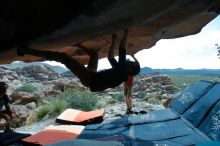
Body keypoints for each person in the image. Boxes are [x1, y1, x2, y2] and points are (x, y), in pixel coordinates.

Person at [17, 29, 140, 92]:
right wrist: (113, 41)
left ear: (130, 69)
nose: (128, 61)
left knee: (63, 57)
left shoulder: (122, 71)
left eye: (131, 63)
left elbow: (122, 48)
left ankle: (25, 50)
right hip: (92, 76)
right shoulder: (121, 72)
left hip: (89, 79)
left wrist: (126, 32)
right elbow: (111, 58)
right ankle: (78, 45)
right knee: (94, 56)